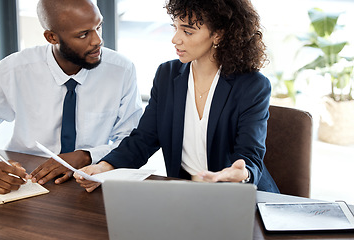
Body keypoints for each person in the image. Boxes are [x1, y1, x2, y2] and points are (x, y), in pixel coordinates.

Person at [74, 0, 279, 193]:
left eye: (187, 31)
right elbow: (144, 139)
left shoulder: (252, 86)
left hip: (240, 196)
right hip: (187, 194)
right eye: (176, 27)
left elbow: (249, 155)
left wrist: (241, 174)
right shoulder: (167, 75)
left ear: (218, 34)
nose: (175, 39)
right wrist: (105, 166)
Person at [0, 0, 142, 194]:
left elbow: (132, 138)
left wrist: (86, 155)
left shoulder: (121, 70)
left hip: (89, 181)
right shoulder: (13, 70)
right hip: (26, 181)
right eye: (83, 34)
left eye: (98, 27)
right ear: (51, 37)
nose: (97, 40)